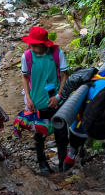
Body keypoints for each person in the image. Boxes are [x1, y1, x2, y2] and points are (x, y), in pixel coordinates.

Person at [20, 26, 69, 173]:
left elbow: (65, 75)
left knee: (61, 134)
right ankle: (42, 164)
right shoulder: (27, 57)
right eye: (31, 45)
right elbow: (24, 76)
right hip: (36, 103)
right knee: (39, 135)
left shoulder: (57, 54)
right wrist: (28, 98)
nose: (33, 48)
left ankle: (63, 164)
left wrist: (59, 96)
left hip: (56, 103)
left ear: (45, 44)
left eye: (36, 45)